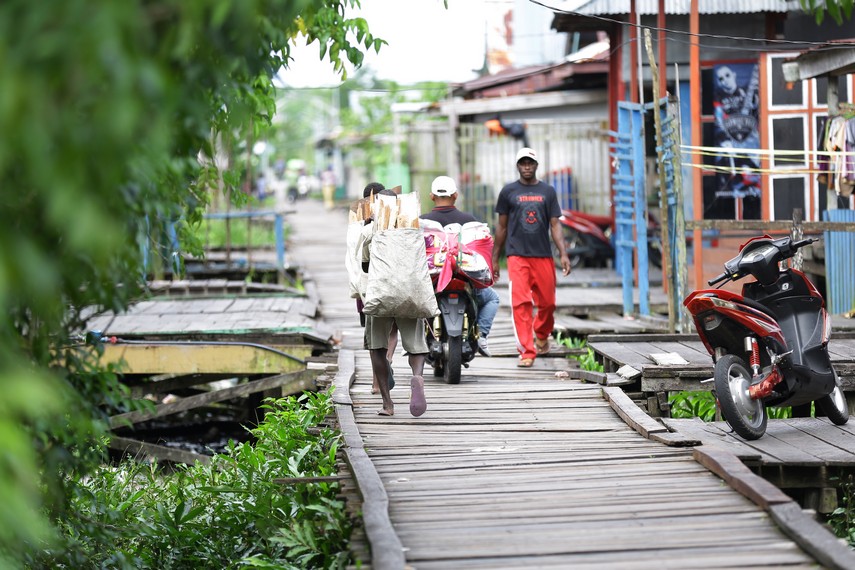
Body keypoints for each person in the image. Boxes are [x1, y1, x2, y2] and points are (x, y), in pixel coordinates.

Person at [492, 148, 571, 368]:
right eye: (523, 163)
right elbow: (501, 226)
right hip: (517, 256)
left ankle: (542, 334)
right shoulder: (508, 191)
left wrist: (563, 253)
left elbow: (555, 225)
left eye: (530, 163)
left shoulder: (548, 191)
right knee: (521, 303)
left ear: (536, 165)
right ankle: (527, 350)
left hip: (543, 255)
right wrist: (494, 258)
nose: (527, 166)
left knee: (548, 303)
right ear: (518, 165)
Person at [358, 185, 427, 417]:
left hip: (382, 294)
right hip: (411, 292)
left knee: (377, 347)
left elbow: (365, 266)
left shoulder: (371, 231)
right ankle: (417, 376)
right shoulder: (416, 227)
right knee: (416, 346)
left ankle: (388, 404)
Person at [420, 175, 500, 357]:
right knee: (492, 298)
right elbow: (484, 246)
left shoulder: (423, 223)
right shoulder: (470, 221)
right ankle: (482, 337)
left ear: (432, 196)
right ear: (455, 195)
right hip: (465, 277)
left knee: (414, 303)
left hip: (433, 282)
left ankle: (417, 339)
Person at [358, 182, 399, 394]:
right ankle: (389, 359)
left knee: (374, 337)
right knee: (393, 330)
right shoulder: (403, 224)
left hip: (372, 290)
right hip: (399, 288)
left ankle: (376, 381)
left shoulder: (363, 225)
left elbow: (360, 264)